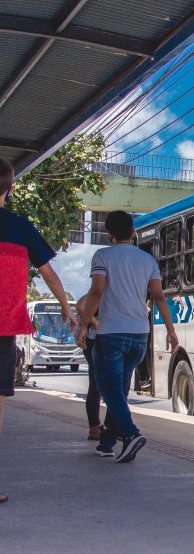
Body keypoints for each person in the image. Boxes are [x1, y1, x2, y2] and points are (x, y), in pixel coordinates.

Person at [0, 157, 78, 503]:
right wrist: (65, 307)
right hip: (3, 327)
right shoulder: (21, 227)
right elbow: (48, 273)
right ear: (11, 188)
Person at [77, 210, 178, 463]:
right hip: (139, 335)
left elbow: (97, 291)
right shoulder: (147, 261)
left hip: (111, 333)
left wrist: (83, 325)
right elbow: (159, 297)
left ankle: (132, 434)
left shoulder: (102, 256)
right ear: (133, 233)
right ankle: (108, 442)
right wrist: (171, 329)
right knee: (118, 390)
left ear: (109, 235)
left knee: (107, 387)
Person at [75, 294, 103, 440]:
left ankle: (96, 428)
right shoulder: (101, 289)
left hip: (95, 339)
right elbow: (79, 306)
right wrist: (96, 323)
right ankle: (95, 428)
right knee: (96, 384)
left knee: (96, 384)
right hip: (95, 340)